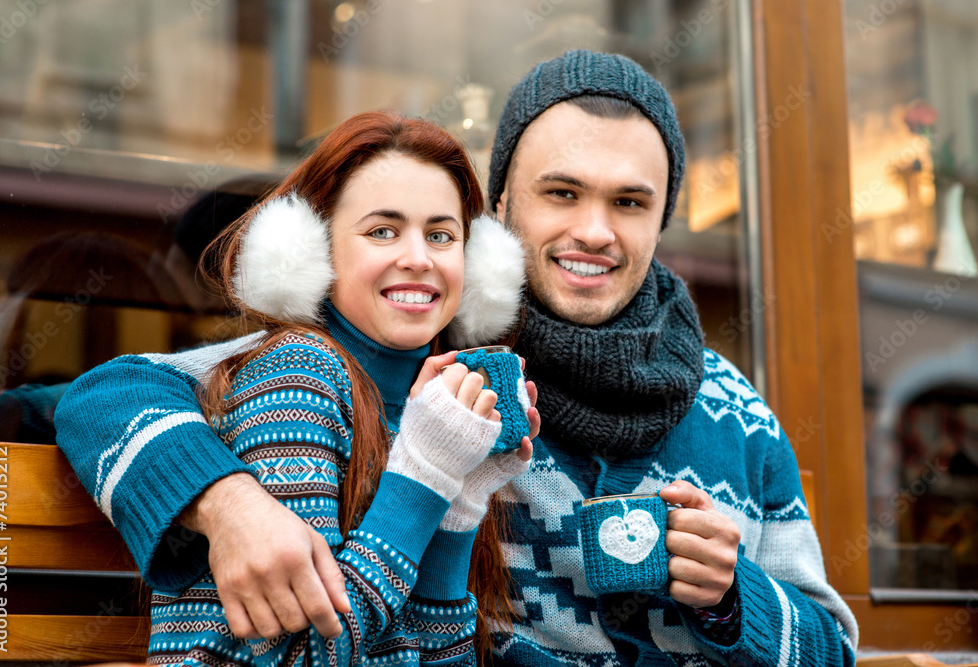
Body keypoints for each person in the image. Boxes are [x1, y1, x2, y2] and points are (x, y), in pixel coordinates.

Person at [56, 51, 859, 665]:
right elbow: (108, 394)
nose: (595, 231)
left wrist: (732, 597)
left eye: (629, 203)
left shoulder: (734, 404)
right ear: (501, 209)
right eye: (562, 193)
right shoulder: (440, 361)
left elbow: (834, 646)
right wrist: (226, 500)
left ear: (660, 220)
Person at [57, 110, 538, 666]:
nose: (418, 258)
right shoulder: (296, 376)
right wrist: (424, 479)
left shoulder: (433, 406)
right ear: (313, 252)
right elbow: (302, 655)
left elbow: (434, 655)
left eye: (441, 235)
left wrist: (459, 504)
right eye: (382, 231)